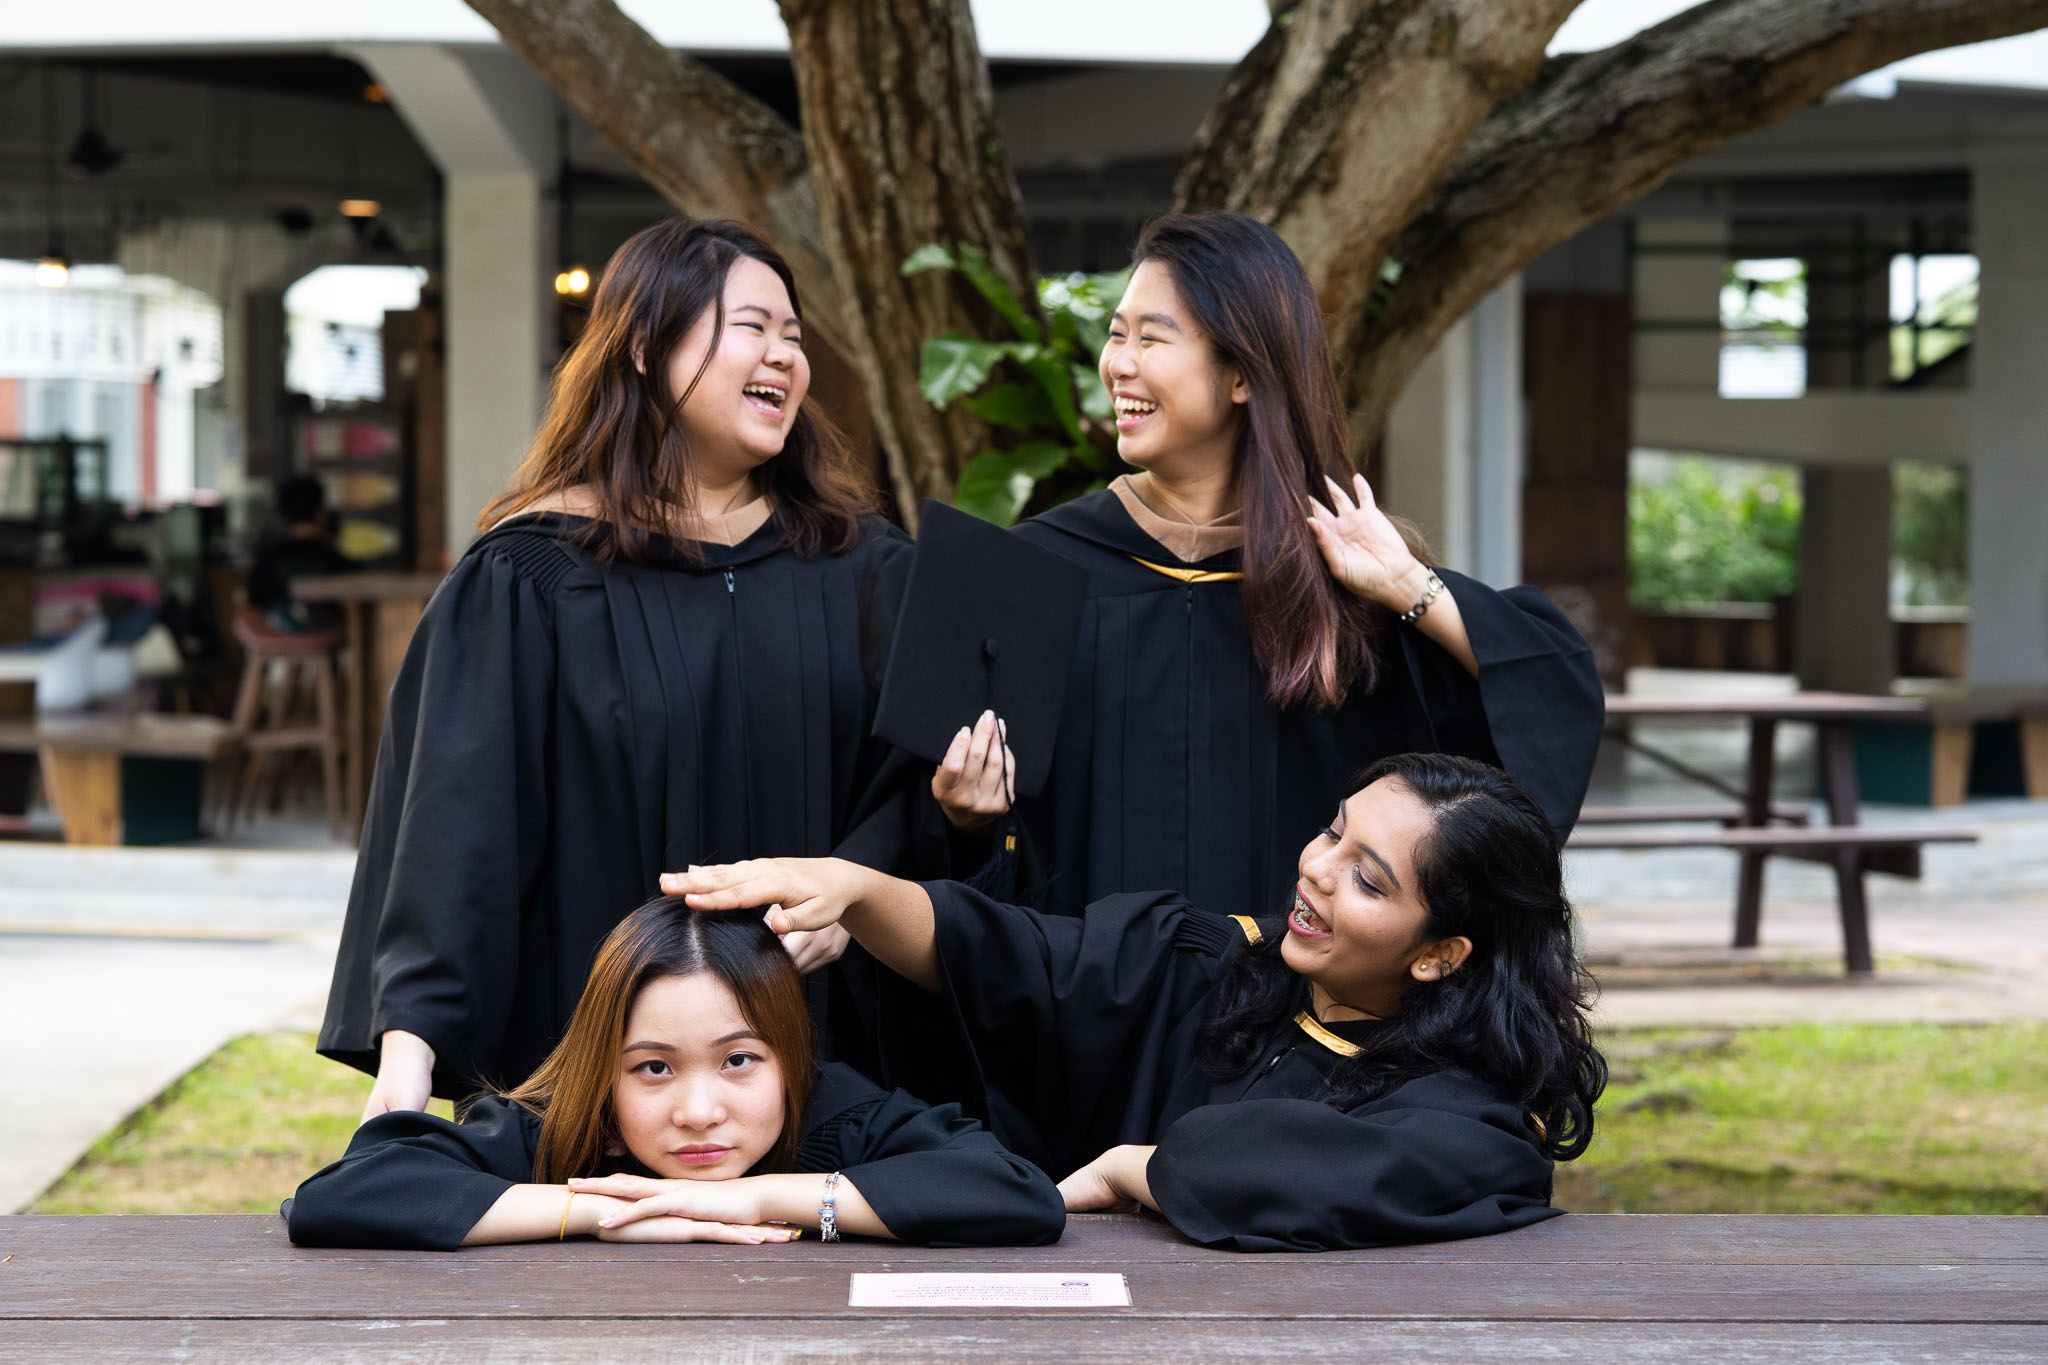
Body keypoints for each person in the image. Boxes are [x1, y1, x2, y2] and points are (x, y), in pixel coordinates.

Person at [319, 217, 928, 1115]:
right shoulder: (531, 576)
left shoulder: (866, 570)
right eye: (752, 326)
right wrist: (406, 1066)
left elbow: (910, 791)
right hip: (588, 1074)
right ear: (644, 347)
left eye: (794, 337)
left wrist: (854, 893)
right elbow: (457, 834)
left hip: (822, 1070)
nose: (784, 355)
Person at [934, 213, 1604, 920]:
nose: (1118, 364)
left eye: (1151, 338)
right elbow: (964, 849)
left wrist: (1407, 585)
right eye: (1116, 334)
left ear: (1242, 374)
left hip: (1300, 986)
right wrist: (966, 818)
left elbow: (1546, 699)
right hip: (1091, 985)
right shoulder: (1043, 570)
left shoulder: (1346, 589)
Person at [666, 752, 1607, 1252]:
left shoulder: (1472, 1111)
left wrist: (1132, 1167)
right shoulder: (1212, 961)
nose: (1317, 870)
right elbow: (1017, 956)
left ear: (1441, 954)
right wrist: (858, 889)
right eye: (1332, 832)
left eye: (1368, 879)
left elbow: (1327, 1169)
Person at [289, 901, 1064, 1249]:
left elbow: (1015, 1192)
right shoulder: (562, 1125)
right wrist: (603, 1213)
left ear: (789, 1055)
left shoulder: (836, 1113)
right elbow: (340, 1195)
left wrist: (752, 1197)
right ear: (604, 1069)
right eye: (654, 1067)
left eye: (739, 1059)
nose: (699, 1109)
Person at [247, 475, 352, 633]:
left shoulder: (267, 559)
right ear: (321, 512)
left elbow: (254, 606)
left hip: (275, 639)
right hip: (328, 639)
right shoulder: (336, 560)